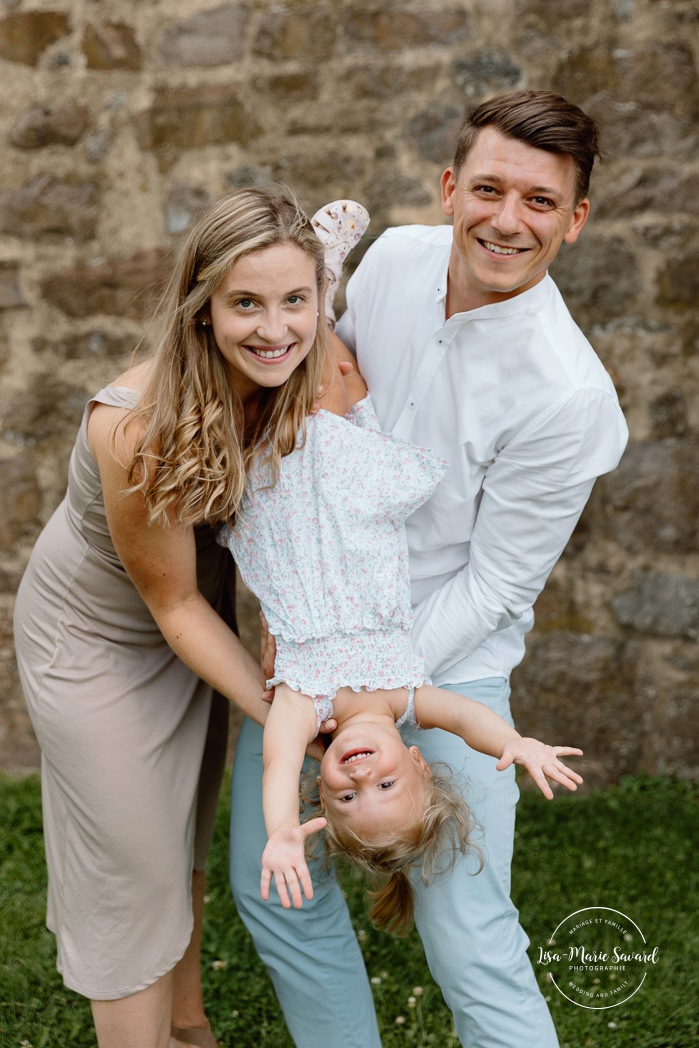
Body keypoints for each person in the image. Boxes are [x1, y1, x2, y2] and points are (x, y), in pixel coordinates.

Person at [228, 90, 629, 1047]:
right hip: (315, 640)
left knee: (464, 931)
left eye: (539, 201)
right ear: (450, 188)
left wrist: (369, 700)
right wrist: (309, 631)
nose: (505, 219)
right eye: (487, 188)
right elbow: (318, 403)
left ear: (574, 221)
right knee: (272, 886)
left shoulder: (568, 399)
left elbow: (494, 587)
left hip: (445, 663)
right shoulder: (399, 257)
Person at [13, 186, 344, 1048]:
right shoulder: (138, 426)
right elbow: (171, 602)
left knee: (175, 843)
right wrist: (288, 716)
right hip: (99, 635)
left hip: (194, 624)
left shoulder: (298, 377)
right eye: (245, 304)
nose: (275, 328)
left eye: (294, 300)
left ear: (319, 299)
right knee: (132, 865)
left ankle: (187, 1030)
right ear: (202, 310)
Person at [217, 359, 584, 930]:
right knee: (320, 356)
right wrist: (516, 744)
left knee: (270, 375)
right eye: (386, 785)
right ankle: (311, 290)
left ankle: (296, 296)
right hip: (348, 480)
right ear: (418, 762)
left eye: (345, 799)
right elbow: (464, 717)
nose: (361, 777)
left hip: (279, 479)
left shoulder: (303, 705)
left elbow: (278, 763)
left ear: (322, 793)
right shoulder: (403, 696)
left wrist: (283, 832)